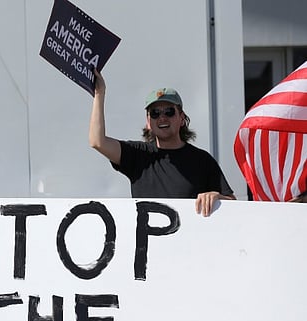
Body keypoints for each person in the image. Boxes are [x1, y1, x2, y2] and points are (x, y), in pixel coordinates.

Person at [88, 71, 235, 216]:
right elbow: (97, 141)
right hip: (148, 240)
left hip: (190, 239)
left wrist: (217, 198)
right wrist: (99, 94)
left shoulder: (202, 160)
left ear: (182, 118)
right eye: (155, 113)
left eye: (169, 112)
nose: (162, 118)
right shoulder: (138, 154)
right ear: (148, 122)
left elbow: (235, 206)